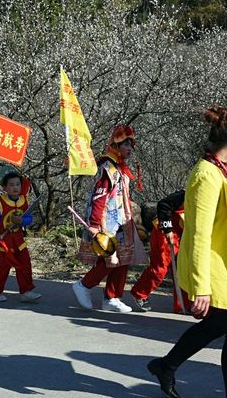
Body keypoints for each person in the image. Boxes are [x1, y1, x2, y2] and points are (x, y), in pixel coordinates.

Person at [147, 107, 227, 398]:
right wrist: (201, 287)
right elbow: (198, 233)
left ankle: (166, 366)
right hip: (216, 269)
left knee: (218, 325)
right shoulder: (207, 174)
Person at [72, 125, 146, 313]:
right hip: (108, 224)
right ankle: (84, 285)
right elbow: (100, 197)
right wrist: (95, 224)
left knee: (123, 259)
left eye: (131, 144)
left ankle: (112, 298)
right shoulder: (108, 168)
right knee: (108, 260)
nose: (129, 148)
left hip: (122, 223)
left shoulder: (120, 168)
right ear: (115, 145)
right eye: (125, 144)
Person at [130, 190, 189, 313]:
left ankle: (182, 304)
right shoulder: (186, 193)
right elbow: (163, 204)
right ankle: (140, 292)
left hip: (184, 232)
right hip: (166, 231)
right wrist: (168, 230)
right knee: (160, 267)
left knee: (183, 268)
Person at [0, 172, 41, 303]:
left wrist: (22, 221)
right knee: (1, 268)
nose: (15, 187)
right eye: (11, 185)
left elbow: (29, 218)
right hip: (2, 242)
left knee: (25, 264)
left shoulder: (24, 201)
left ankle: (26, 291)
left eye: (17, 184)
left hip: (18, 241)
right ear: (4, 188)